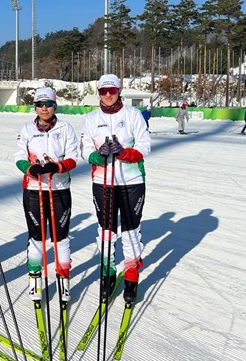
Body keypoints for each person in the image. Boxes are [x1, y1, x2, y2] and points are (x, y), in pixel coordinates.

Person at [81, 73, 151, 303]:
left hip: (131, 183)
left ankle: (131, 275)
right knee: (106, 231)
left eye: (112, 91)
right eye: (103, 91)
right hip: (103, 183)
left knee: (131, 231)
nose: (108, 95)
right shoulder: (91, 118)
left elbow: (145, 146)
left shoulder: (132, 114)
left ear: (119, 90)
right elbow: (84, 150)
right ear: (98, 92)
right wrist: (97, 155)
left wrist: (123, 153)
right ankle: (108, 273)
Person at [14, 87, 78, 304]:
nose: (44, 108)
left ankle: (63, 278)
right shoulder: (26, 129)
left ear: (54, 105)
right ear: (35, 107)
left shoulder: (65, 128)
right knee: (37, 237)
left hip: (59, 189)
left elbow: (73, 158)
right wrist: (30, 168)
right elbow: (19, 157)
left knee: (60, 237)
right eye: (40, 104)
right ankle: (35, 278)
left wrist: (58, 166)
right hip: (34, 190)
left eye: (48, 104)